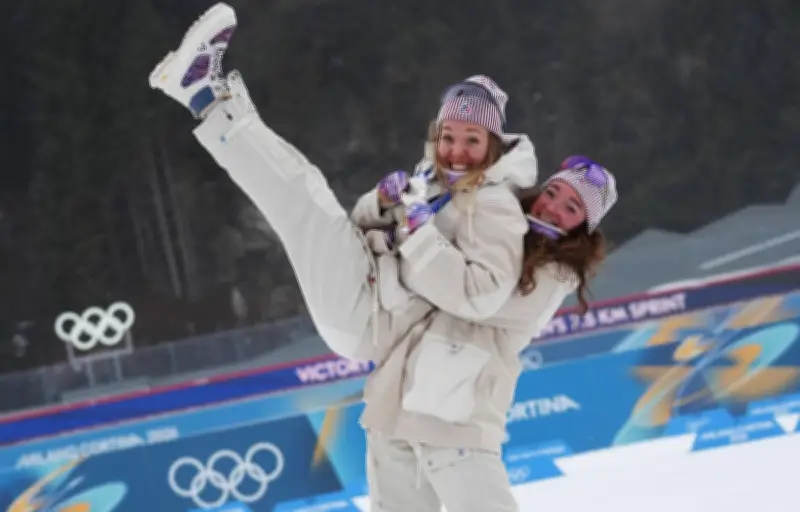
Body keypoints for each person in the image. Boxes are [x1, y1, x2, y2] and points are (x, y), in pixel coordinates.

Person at [147, 4, 618, 511]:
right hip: (393, 365)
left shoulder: (508, 218)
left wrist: (416, 233)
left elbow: (477, 297)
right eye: (449, 137)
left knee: (303, 199)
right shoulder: (449, 184)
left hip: (379, 321)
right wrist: (387, 203)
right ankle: (207, 96)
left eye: (472, 140)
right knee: (307, 203)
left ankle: (206, 96)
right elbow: (364, 226)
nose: (457, 149)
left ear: (494, 146)